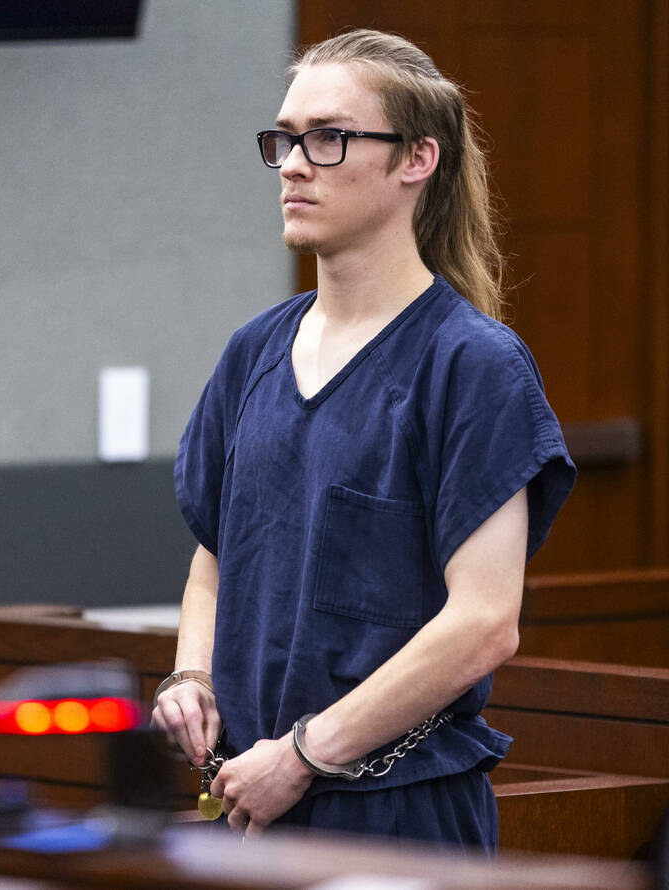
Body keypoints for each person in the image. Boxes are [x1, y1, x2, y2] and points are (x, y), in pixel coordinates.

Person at [152, 29, 576, 848]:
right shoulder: (254, 352)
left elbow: (487, 621)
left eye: (330, 137)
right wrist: (192, 674)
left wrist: (306, 754)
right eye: (285, 139)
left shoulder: (472, 364)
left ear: (416, 159)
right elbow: (215, 555)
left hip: (396, 809)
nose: (295, 164)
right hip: (250, 797)